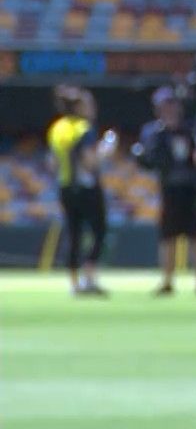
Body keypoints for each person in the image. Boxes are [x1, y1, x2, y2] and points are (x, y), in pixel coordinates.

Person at [134, 87, 196, 297]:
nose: (169, 110)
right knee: (168, 236)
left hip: (194, 187)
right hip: (169, 187)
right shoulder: (153, 133)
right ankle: (167, 281)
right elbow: (148, 160)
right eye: (164, 106)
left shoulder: (193, 128)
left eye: (172, 105)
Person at [46, 84, 113, 297]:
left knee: (73, 233)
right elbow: (90, 162)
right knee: (99, 231)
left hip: (65, 186)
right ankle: (89, 277)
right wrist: (106, 150)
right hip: (87, 187)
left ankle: (74, 283)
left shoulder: (57, 128)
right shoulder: (84, 128)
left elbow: (52, 163)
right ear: (79, 107)